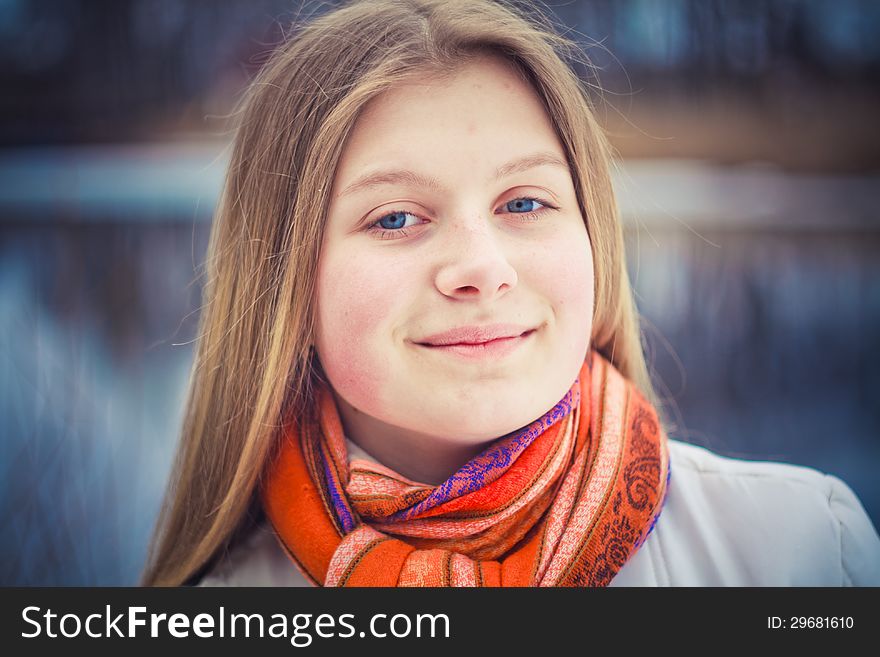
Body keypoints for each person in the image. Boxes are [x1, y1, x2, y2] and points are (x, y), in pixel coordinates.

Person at [141, 0, 880, 587]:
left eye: (524, 203)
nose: (482, 267)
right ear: (284, 288)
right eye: (395, 217)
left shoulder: (801, 551)